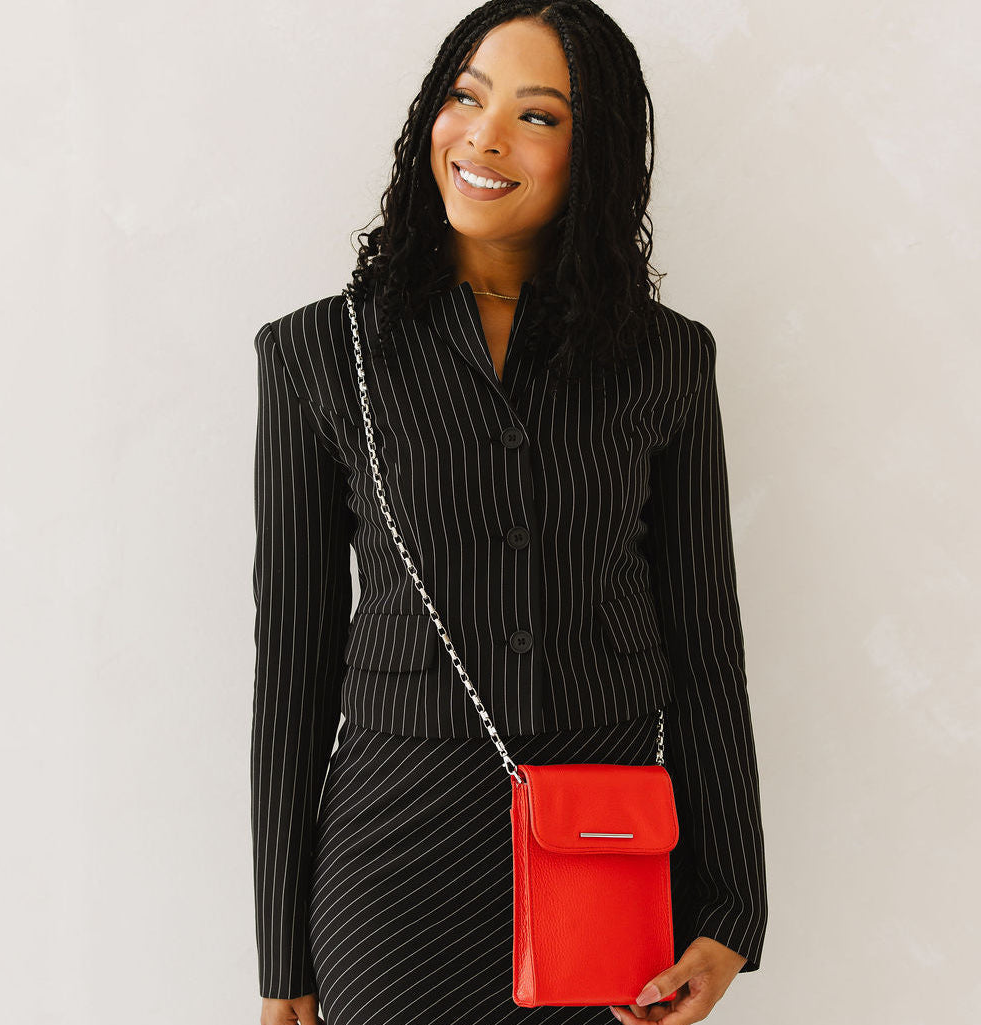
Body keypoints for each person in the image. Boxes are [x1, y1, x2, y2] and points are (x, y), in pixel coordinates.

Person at [250, 3, 768, 1024]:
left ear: (595, 152)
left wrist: (731, 906)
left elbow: (705, 639)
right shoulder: (318, 352)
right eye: (464, 96)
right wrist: (281, 958)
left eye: (537, 115)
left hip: (606, 848)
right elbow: (294, 664)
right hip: (393, 861)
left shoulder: (667, 358)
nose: (483, 137)